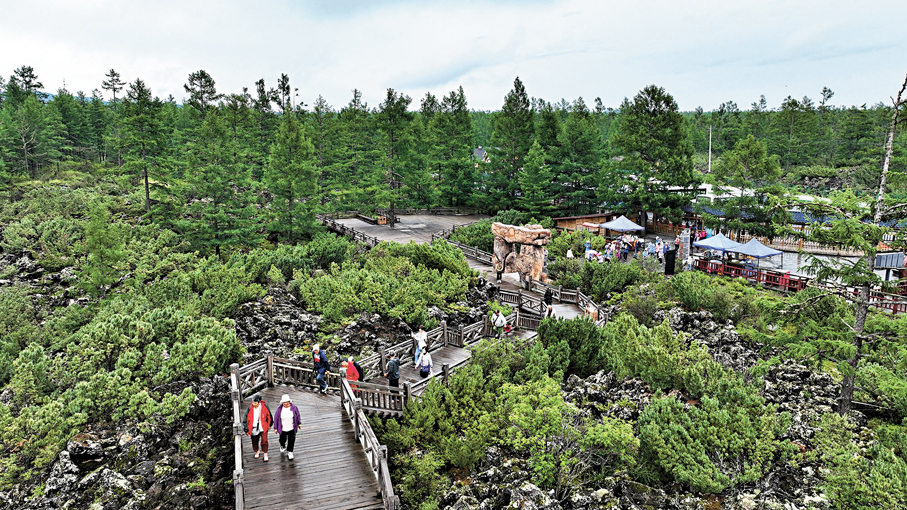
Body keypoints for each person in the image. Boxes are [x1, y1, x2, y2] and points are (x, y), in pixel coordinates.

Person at [274, 394, 301, 460]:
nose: (286, 404)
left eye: (287, 402)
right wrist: (275, 428)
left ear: (289, 402)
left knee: (291, 440)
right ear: (282, 403)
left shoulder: (294, 407)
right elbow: (276, 418)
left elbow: (297, 415)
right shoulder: (279, 409)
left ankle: (290, 451)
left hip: (291, 427)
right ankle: (282, 445)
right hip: (283, 427)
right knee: (282, 439)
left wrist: (299, 423)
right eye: (284, 402)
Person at [246, 395, 273, 462]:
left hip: (263, 426)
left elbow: (269, 416)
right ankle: (256, 451)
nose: (253, 404)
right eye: (253, 402)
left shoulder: (265, 407)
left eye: (255, 403)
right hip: (253, 427)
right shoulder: (249, 408)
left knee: (264, 440)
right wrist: (246, 429)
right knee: (254, 440)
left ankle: (265, 453)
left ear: (259, 402)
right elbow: (245, 419)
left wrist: (269, 425)